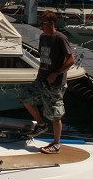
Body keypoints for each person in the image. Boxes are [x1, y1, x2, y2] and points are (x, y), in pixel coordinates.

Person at [21, 11, 75, 155]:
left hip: (56, 83)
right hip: (42, 79)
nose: (41, 26)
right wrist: (39, 76)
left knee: (55, 114)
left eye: (43, 23)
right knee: (26, 98)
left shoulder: (60, 38)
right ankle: (41, 124)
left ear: (51, 23)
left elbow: (71, 59)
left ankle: (57, 143)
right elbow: (43, 59)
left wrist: (56, 73)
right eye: (40, 23)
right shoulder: (43, 37)